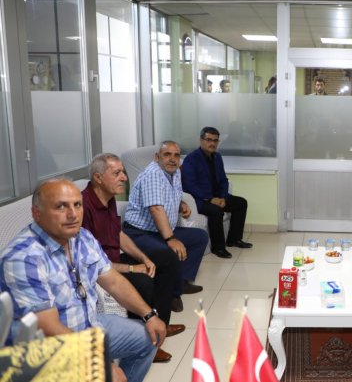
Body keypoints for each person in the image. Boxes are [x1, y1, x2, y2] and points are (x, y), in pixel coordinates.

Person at [0, 179, 167, 382]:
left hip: (89, 325)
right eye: (61, 206)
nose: (73, 214)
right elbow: (47, 327)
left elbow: (114, 282)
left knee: (148, 337)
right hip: (47, 347)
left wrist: (149, 315)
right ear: (37, 213)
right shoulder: (23, 257)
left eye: (77, 205)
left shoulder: (82, 237)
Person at [82, 153, 186, 363]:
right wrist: (132, 269)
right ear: (98, 178)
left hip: (114, 260)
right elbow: (91, 263)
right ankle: (146, 343)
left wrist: (142, 258)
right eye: (117, 173)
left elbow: (118, 235)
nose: (124, 178)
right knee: (143, 281)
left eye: (123, 172)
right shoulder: (83, 207)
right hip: (99, 271)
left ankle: (161, 323)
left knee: (166, 258)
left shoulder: (108, 198)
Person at [123, 141, 208, 305]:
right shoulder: (153, 175)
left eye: (176, 155)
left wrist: (180, 204)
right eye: (167, 154)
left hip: (159, 231)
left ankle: (182, 282)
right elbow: (155, 208)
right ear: (157, 157)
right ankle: (172, 294)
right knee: (168, 251)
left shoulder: (175, 173)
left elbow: (170, 195)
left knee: (200, 237)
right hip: (139, 232)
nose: (172, 159)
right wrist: (171, 239)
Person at [182, 127, 252, 259]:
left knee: (241, 203)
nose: (212, 143)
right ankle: (218, 248)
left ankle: (234, 239)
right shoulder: (191, 159)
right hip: (200, 200)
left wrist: (223, 197)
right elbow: (189, 186)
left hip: (218, 197)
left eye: (215, 140)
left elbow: (224, 180)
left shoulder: (217, 157)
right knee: (216, 211)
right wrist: (210, 199)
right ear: (201, 140)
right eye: (209, 140)